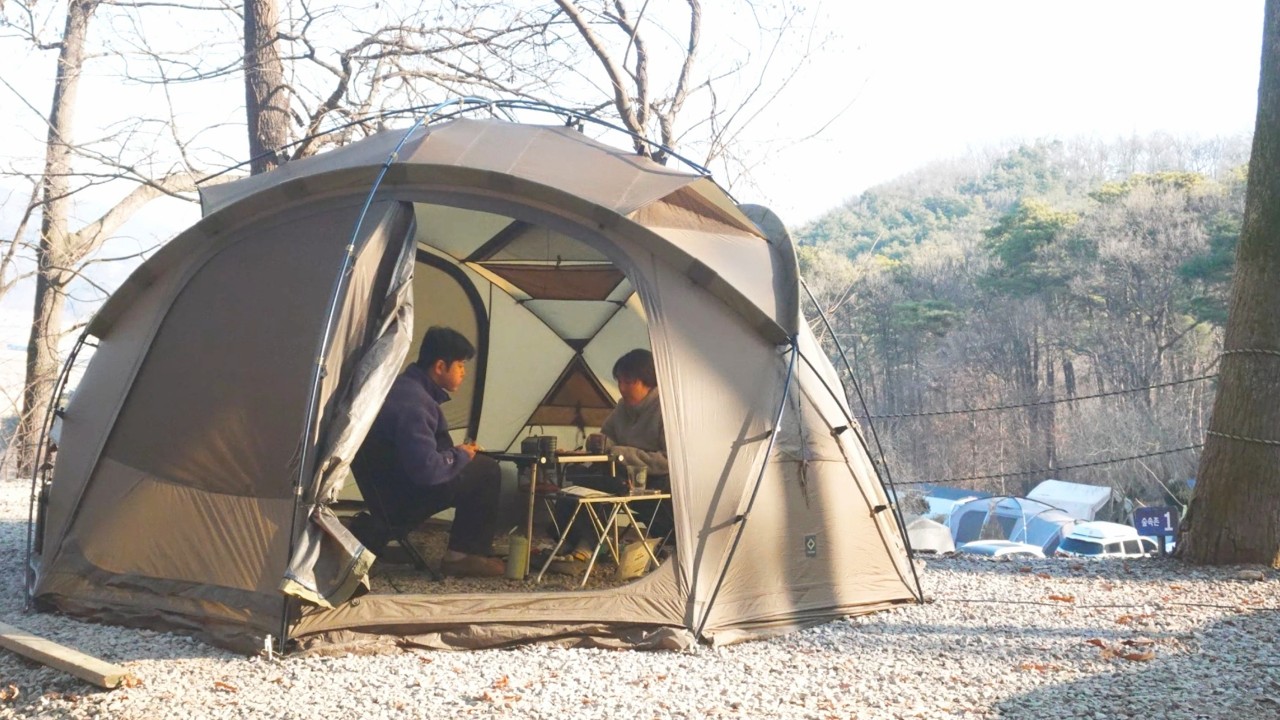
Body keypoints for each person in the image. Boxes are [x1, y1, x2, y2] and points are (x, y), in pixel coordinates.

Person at [350, 326, 504, 578]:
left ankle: (387, 539)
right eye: (461, 365)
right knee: (486, 470)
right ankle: (462, 556)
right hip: (402, 498)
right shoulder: (415, 404)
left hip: (383, 492)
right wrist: (462, 454)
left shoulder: (402, 388)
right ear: (440, 367)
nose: (464, 373)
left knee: (475, 464)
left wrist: (458, 453)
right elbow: (427, 470)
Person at [550, 348, 671, 570]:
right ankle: (578, 541)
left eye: (628, 382)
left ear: (648, 382)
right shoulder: (623, 408)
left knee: (598, 484)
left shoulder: (665, 410)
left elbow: (669, 460)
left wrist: (622, 455)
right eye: (620, 382)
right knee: (576, 481)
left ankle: (589, 546)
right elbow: (607, 437)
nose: (622, 388)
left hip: (656, 483)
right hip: (620, 476)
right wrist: (598, 444)